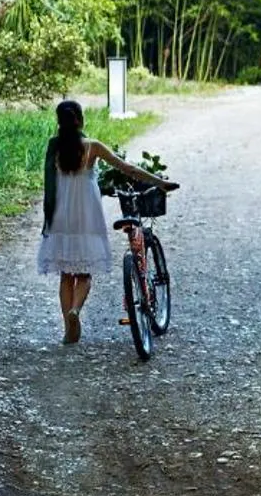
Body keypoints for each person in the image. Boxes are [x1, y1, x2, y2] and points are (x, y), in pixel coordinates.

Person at [35, 100, 166, 344]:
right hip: (87, 215)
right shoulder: (92, 146)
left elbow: (50, 184)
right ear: (80, 120)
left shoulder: (55, 147)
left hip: (61, 215)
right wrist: (160, 182)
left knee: (66, 275)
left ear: (59, 122)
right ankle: (76, 310)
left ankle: (69, 328)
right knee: (84, 274)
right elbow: (127, 168)